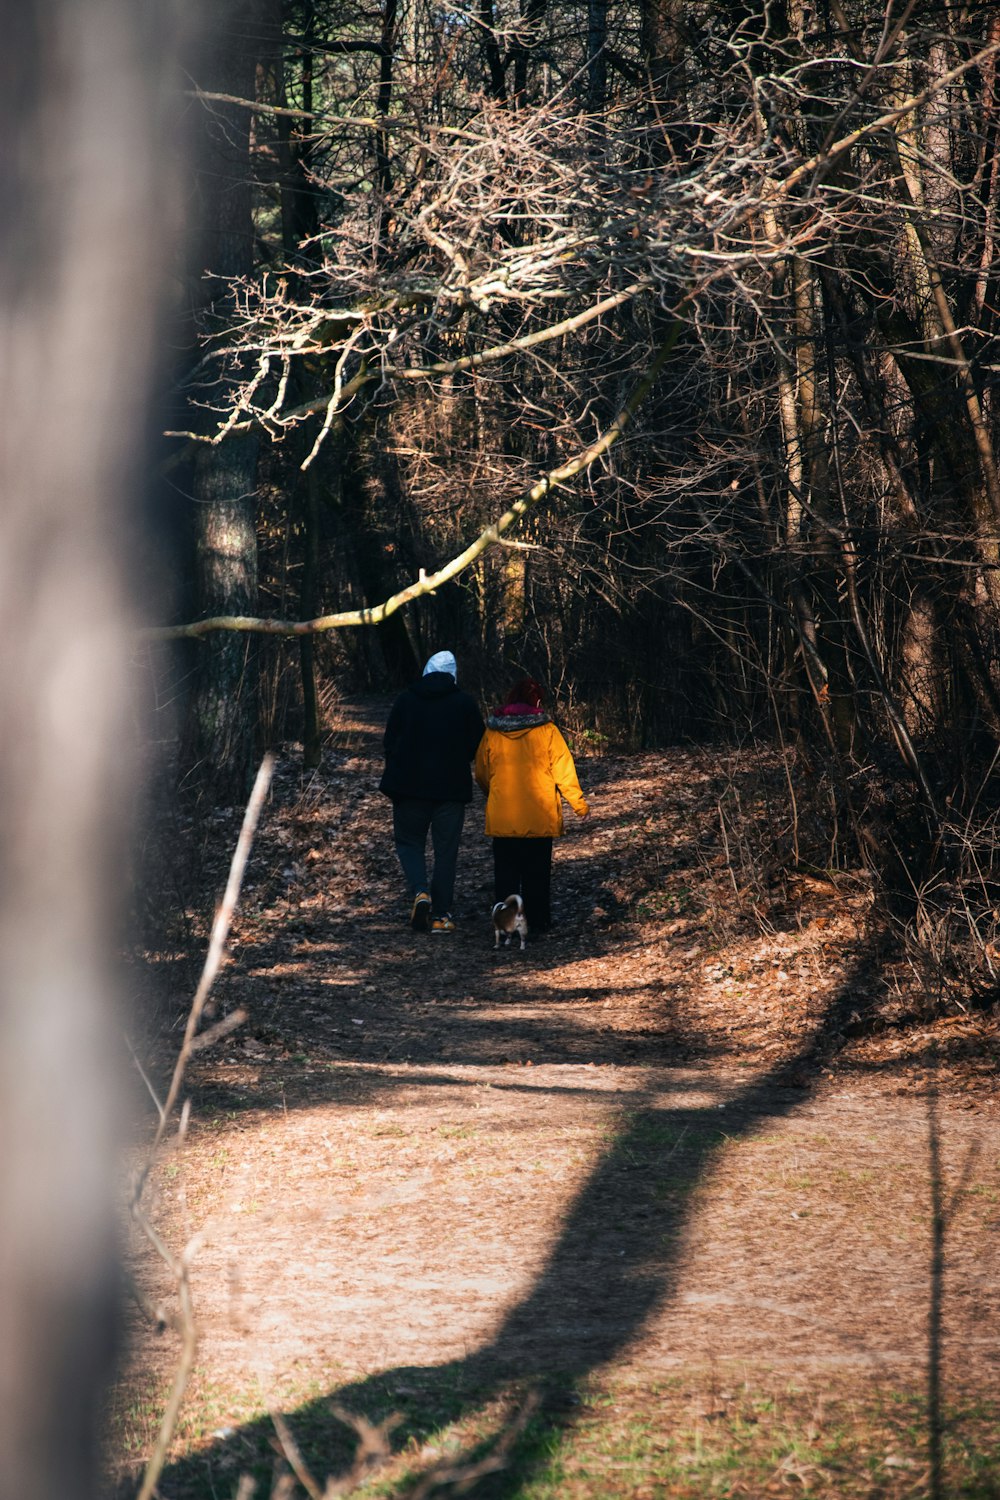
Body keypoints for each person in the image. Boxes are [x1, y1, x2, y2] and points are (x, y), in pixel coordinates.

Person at [380, 650, 485, 933]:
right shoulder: (464, 703)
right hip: (450, 790)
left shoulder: (406, 700)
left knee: (409, 844)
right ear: (453, 675)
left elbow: (389, 741)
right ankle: (441, 915)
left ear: (425, 671)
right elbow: (478, 742)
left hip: (408, 788)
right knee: (445, 852)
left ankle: (419, 891)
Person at [474, 677, 589, 933]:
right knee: (537, 875)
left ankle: (507, 926)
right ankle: (538, 923)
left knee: (506, 876)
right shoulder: (547, 731)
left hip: (504, 817)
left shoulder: (493, 732)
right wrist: (578, 804)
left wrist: (493, 793)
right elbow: (563, 770)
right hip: (540, 816)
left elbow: (482, 771)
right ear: (537, 701)